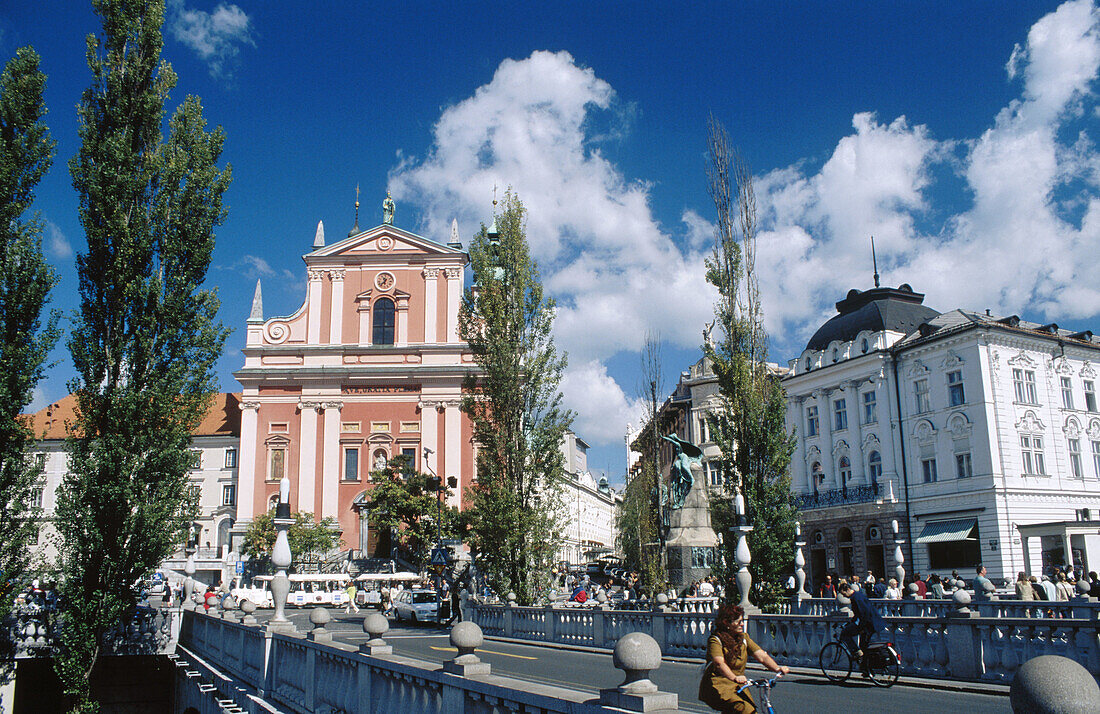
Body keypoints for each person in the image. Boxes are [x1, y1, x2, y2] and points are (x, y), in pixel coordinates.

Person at [698, 604, 789, 712]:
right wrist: (734, 678)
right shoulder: (716, 640)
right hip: (719, 685)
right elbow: (719, 663)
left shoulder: (744, 638)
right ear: (726, 623)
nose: (742, 624)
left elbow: (762, 656)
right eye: (738, 621)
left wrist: (777, 669)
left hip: (738, 686)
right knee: (744, 709)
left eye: (742, 621)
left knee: (751, 710)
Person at [837, 581, 888, 673]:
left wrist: (861, 627)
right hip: (872, 622)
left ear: (848, 589)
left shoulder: (856, 598)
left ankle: (858, 653)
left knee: (845, 634)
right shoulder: (857, 596)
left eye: (844, 593)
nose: (844, 596)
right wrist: (850, 623)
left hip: (869, 624)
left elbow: (864, 614)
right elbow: (858, 615)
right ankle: (865, 669)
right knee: (864, 645)